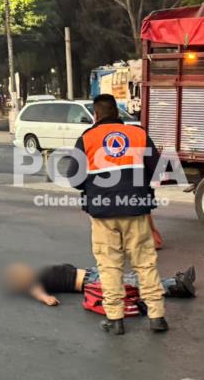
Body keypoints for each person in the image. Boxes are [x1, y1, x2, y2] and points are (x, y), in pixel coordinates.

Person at [66, 94, 167, 335]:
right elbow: (159, 170)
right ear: (118, 113)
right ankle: (157, 316)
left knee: (110, 265)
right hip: (136, 208)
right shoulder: (138, 134)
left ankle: (115, 319)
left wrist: (93, 188)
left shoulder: (87, 138)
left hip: (103, 212)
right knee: (145, 263)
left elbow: (74, 178)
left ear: (96, 115)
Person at [3, 263, 196, 306]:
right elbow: (37, 292)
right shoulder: (33, 283)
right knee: (134, 283)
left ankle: (174, 282)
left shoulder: (37, 274)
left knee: (133, 278)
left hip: (92, 273)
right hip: (92, 281)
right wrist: (46, 299)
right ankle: (175, 285)